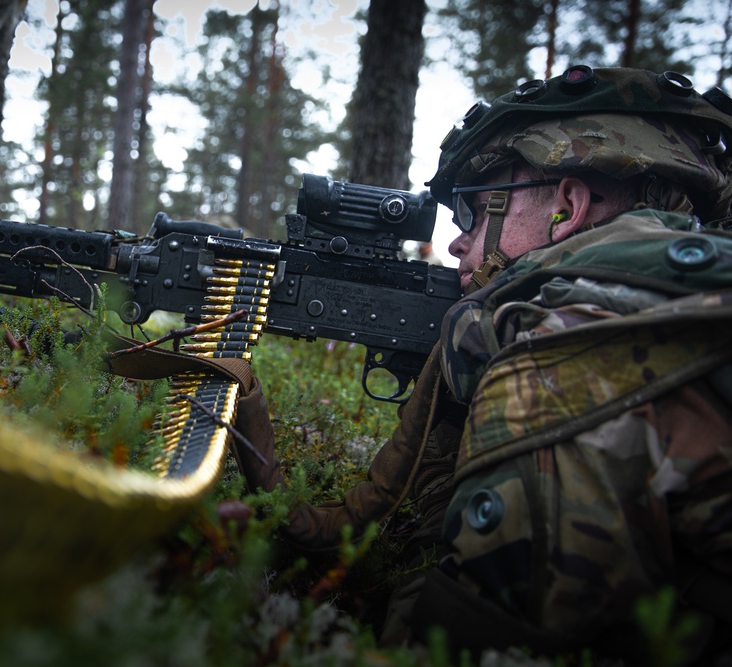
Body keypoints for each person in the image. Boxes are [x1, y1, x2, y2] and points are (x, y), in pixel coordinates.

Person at [230, 65, 732, 664]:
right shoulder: (663, 304)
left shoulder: (555, 363)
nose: (456, 244)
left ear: (566, 207)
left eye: (471, 212)